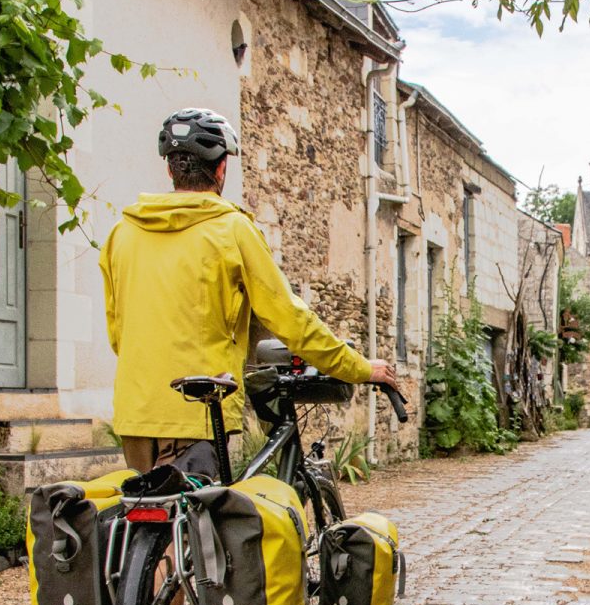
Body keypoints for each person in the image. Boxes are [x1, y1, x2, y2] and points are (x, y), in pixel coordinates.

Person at [99, 107, 397, 475]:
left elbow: (118, 333)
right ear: (222, 168)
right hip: (199, 413)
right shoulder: (232, 229)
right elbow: (289, 317)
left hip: (135, 415)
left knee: (148, 518)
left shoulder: (121, 234)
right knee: (204, 527)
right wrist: (359, 368)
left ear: (170, 169)